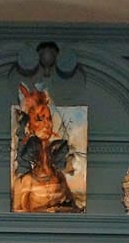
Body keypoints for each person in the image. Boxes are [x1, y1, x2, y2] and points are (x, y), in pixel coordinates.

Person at [12, 84, 82, 212]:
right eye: (39, 119)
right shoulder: (23, 182)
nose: (47, 124)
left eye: (49, 118)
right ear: (29, 126)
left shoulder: (60, 178)